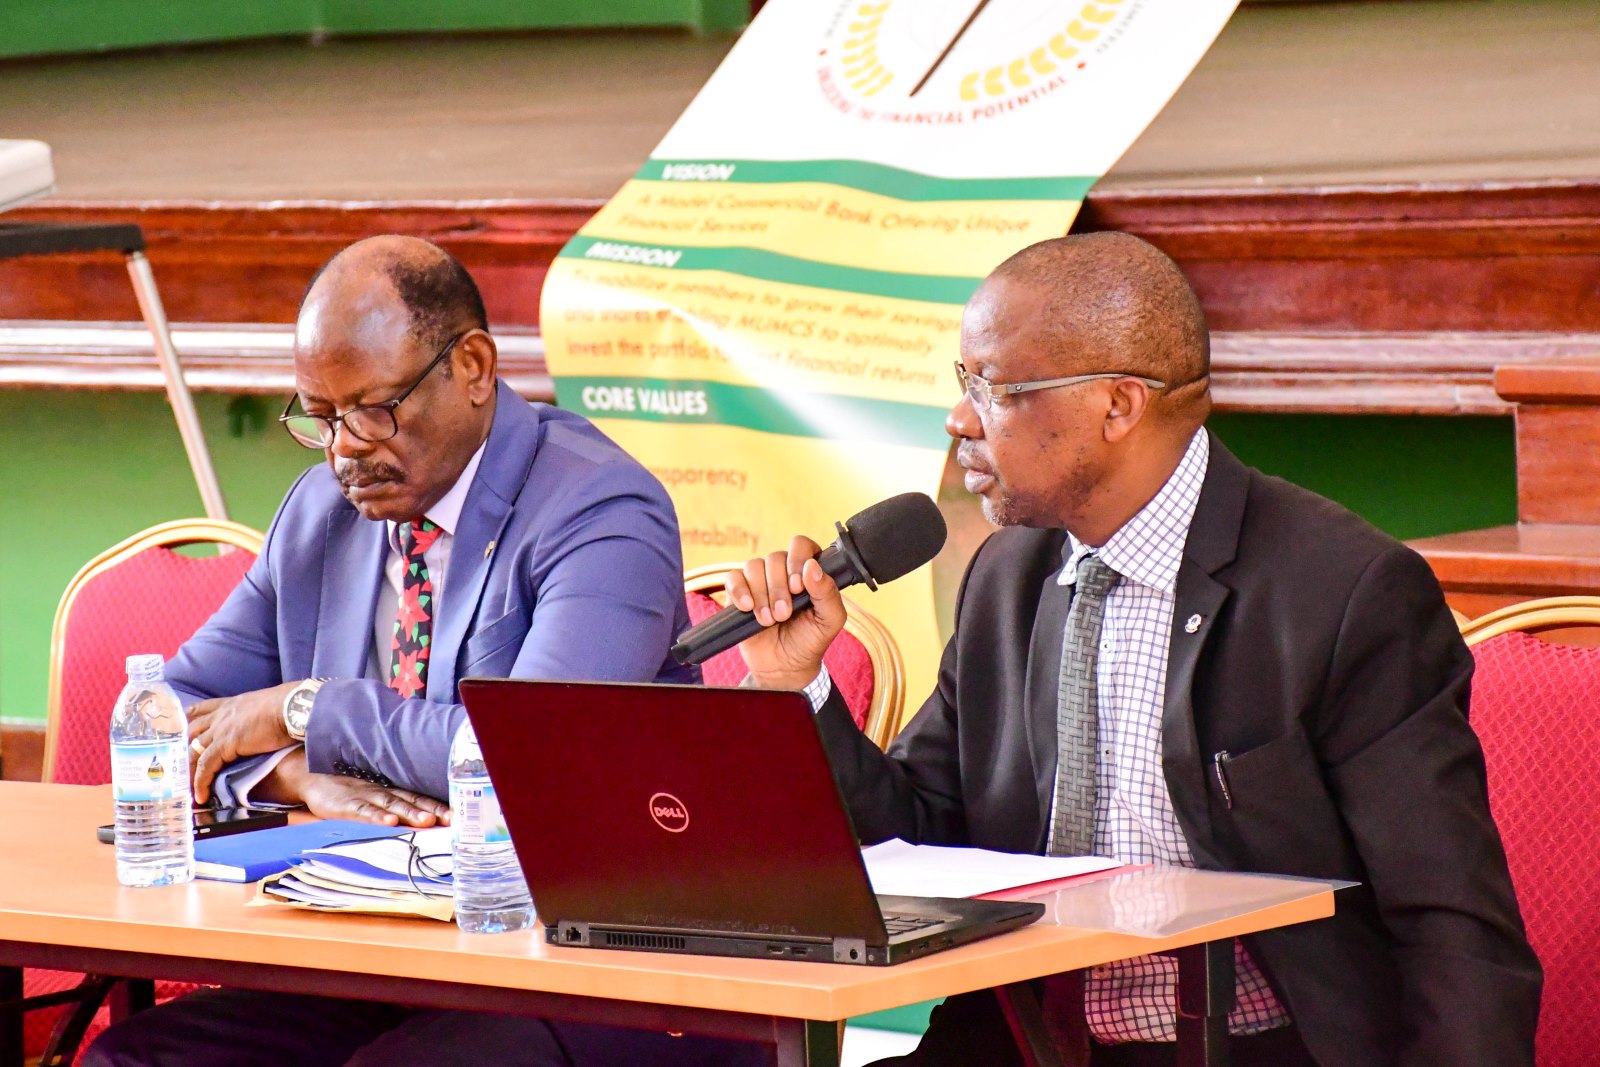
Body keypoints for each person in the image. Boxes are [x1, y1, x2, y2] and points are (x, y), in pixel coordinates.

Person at [726, 232, 1541, 1067]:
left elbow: (1453, 926)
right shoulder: (1008, 575)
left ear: (1118, 405)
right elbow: (922, 833)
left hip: (1251, 1048)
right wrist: (797, 686)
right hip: (1026, 1044)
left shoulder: (1342, 590)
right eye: (962, 381)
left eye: (996, 388)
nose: (959, 418)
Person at [84, 236, 767, 1066]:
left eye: (373, 408)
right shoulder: (322, 514)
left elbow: (530, 757)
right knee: (140, 1060)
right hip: (380, 954)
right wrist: (289, 771)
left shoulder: (600, 508)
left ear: (473, 366)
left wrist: (307, 708)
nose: (343, 447)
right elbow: (170, 716)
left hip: (593, 970)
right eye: (321, 415)